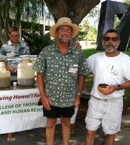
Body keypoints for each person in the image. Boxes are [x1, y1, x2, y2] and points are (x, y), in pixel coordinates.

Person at [33, 17, 89, 145]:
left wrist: (79, 95)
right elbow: (39, 74)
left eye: (68, 30)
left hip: (69, 97)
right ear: (57, 33)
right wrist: (43, 96)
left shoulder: (78, 52)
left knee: (66, 123)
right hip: (50, 97)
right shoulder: (47, 51)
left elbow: (81, 75)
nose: (65, 32)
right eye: (62, 30)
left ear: (71, 33)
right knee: (51, 123)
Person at [85, 29, 130, 145]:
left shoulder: (125, 59)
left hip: (114, 102)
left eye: (114, 39)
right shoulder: (95, 58)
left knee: (110, 133)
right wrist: (77, 51)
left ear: (118, 42)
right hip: (95, 101)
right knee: (90, 132)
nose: (110, 41)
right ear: (103, 42)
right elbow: (81, 68)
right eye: (107, 39)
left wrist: (117, 87)